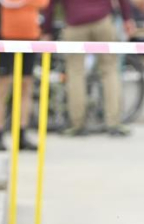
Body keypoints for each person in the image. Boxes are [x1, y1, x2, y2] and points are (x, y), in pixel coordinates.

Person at [41, 0, 135, 136]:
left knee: (75, 72)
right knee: (109, 70)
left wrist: (47, 29)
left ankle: (77, 124)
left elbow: (51, 3)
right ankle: (113, 122)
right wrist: (127, 18)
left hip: (75, 23)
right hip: (102, 20)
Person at [0, 0, 50, 152]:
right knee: (2, 87)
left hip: (30, 33)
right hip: (6, 33)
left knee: (26, 86)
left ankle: (21, 133)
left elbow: (43, 3)